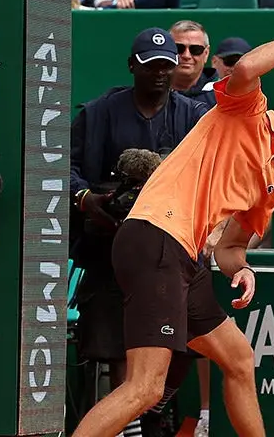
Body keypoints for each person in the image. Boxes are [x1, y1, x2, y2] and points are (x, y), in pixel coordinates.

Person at [69, 7, 274, 437]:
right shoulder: (246, 110)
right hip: (155, 236)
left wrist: (242, 270)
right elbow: (251, 65)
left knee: (239, 359)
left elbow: (229, 248)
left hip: (183, 256)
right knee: (145, 387)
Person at [69, 27, 211, 437]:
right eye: (152, 66)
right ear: (133, 66)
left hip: (174, 246)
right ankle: (130, 426)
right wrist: (87, 200)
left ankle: (156, 408)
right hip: (111, 247)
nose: (161, 74)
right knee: (119, 345)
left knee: (195, 340)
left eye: (168, 66)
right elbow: (66, 170)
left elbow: (209, 175)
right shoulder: (98, 113)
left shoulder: (192, 116)